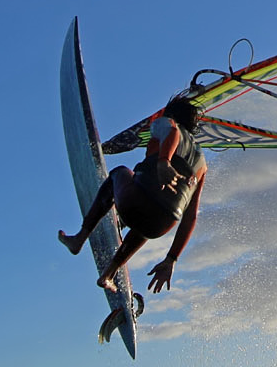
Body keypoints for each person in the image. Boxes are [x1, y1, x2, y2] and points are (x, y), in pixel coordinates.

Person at [59, 96, 207, 294]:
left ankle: (80, 237)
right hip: (161, 225)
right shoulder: (202, 166)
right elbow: (191, 216)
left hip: (135, 201)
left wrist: (164, 162)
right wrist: (172, 258)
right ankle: (108, 275)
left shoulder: (167, 123)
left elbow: (171, 131)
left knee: (119, 173)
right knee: (148, 220)